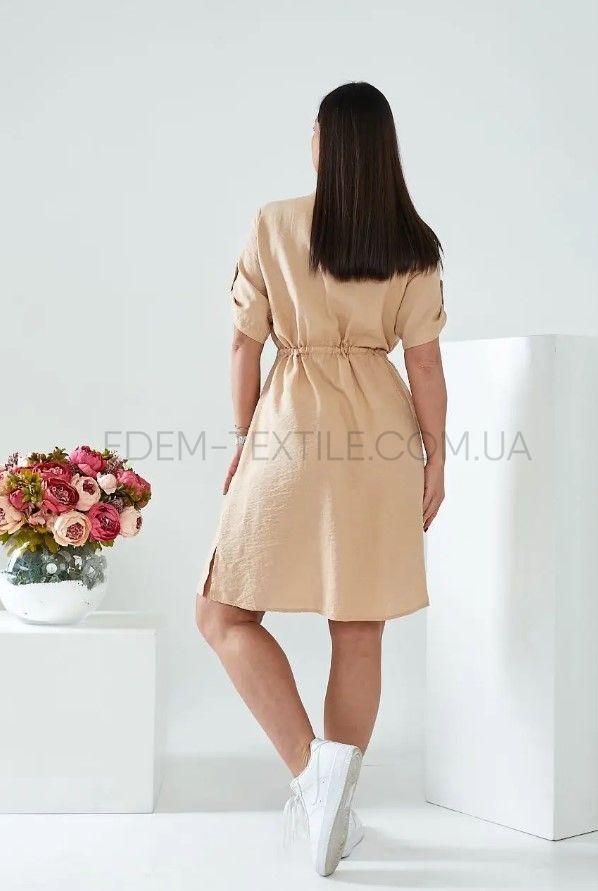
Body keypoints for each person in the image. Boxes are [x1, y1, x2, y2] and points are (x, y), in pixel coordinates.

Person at [196, 81, 447, 877]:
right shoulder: (413, 243)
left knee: (221, 612)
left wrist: (245, 437)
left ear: (324, 143)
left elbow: (244, 346)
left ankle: (312, 774)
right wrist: (437, 454)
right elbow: (425, 363)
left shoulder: (273, 224)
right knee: (360, 627)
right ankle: (333, 794)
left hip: (290, 430)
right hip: (380, 437)